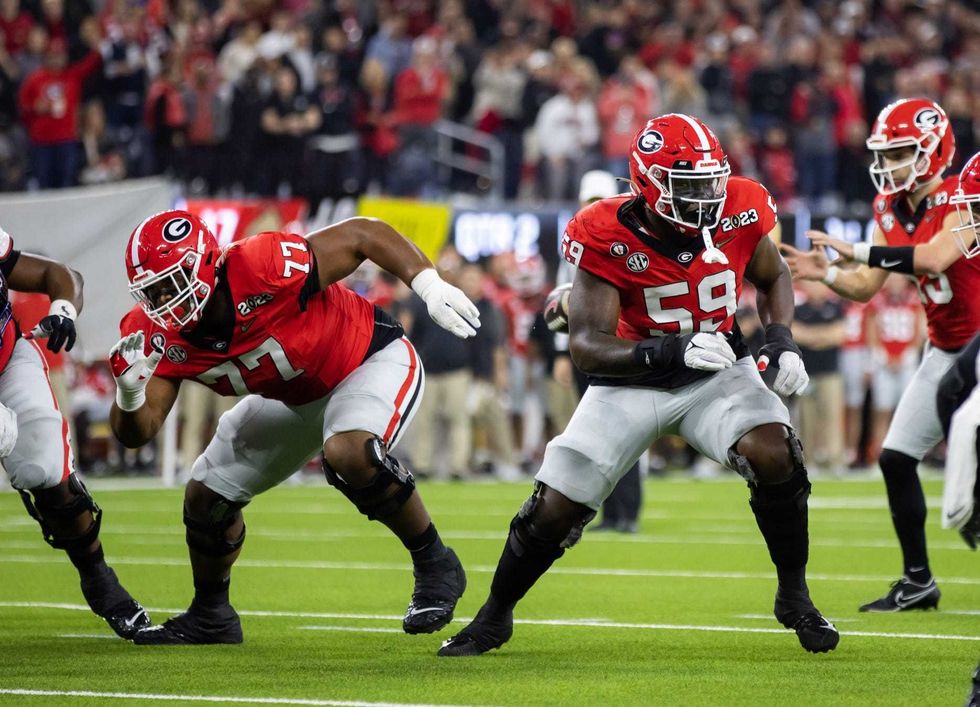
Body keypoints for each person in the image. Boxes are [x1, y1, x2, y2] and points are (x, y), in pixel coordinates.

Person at [438, 114, 839, 658]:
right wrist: (669, 348)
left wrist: (781, 337)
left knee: (777, 451)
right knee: (556, 504)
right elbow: (586, 343)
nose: (708, 197)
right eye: (690, 186)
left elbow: (773, 276)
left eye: (712, 181)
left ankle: (795, 594)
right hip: (631, 377)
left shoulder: (742, 206)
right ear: (649, 184)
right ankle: (495, 616)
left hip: (718, 369)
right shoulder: (605, 230)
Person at [109, 211, 481, 644]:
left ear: (208, 261)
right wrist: (129, 395)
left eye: (172, 282)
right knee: (206, 494)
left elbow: (364, 233)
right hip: (296, 396)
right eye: (151, 291)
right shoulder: (151, 331)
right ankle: (211, 615)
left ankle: (435, 563)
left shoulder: (261, 263)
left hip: (367, 359)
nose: (164, 300)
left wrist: (427, 283)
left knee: (349, 453)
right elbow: (138, 433)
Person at [781, 100, 980, 612]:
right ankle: (918, 580)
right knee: (894, 458)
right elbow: (866, 287)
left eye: (901, 153)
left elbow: (936, 256)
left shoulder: (964, 195)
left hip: (978, 350)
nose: (890, 165)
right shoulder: (888, 207)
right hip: (942, 349)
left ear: (933, 150)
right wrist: (823, 273)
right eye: (886, 154)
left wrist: (859, 251)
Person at [0, 225, 149, 639]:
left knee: (44, 469)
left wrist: (64, 306)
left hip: (8, 360)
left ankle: (98, 577)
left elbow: (60, 275)